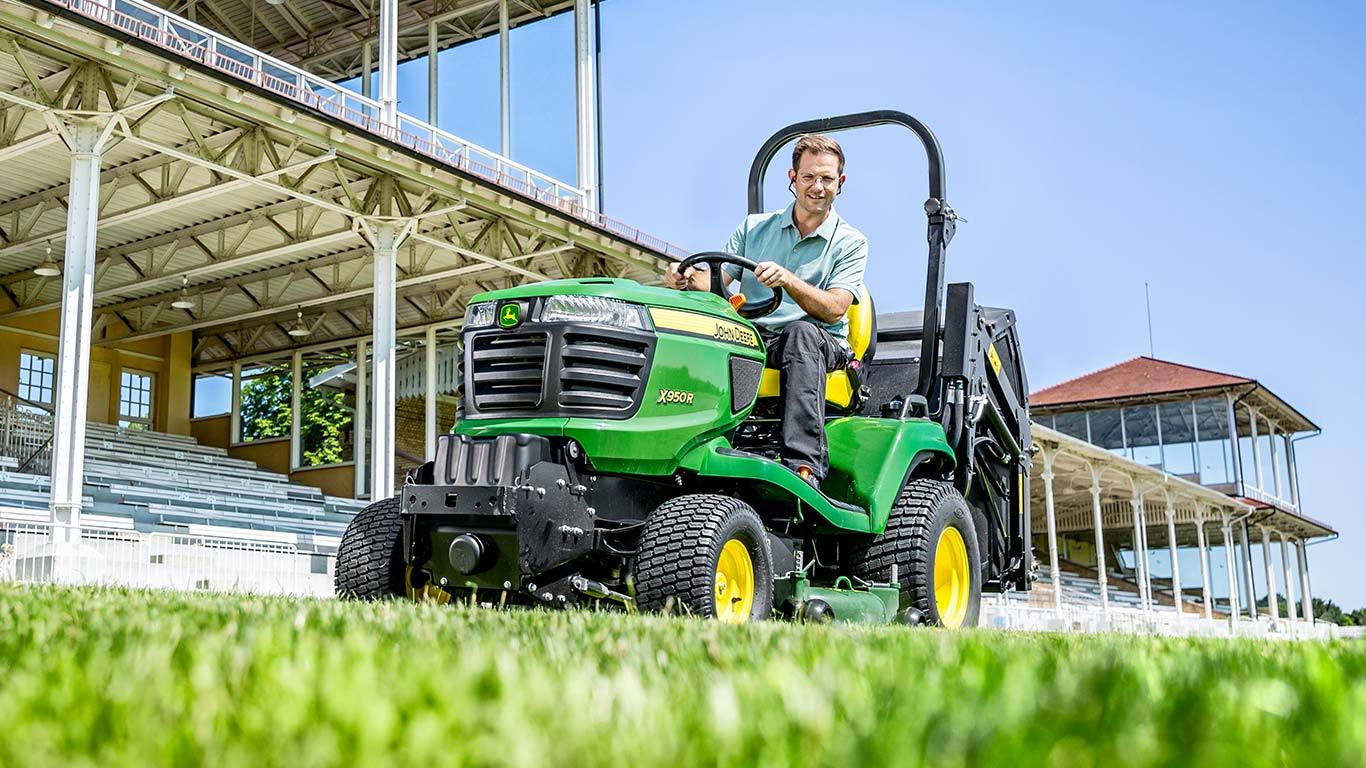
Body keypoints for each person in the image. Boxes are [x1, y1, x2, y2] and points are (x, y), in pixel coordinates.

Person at [665, 134, 868, 489]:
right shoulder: (754, 228)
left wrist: (789, 280)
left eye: (826, 179)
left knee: (799, 335)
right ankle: (685, 448)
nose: (817, 187)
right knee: (700, 334)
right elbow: (716, 281)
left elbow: (836, 310)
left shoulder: (851, 242)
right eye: (808, 177)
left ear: (841, 183)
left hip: (821, 344)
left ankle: (804, 468)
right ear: (793, 178)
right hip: (756, 338)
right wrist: (683, 277)